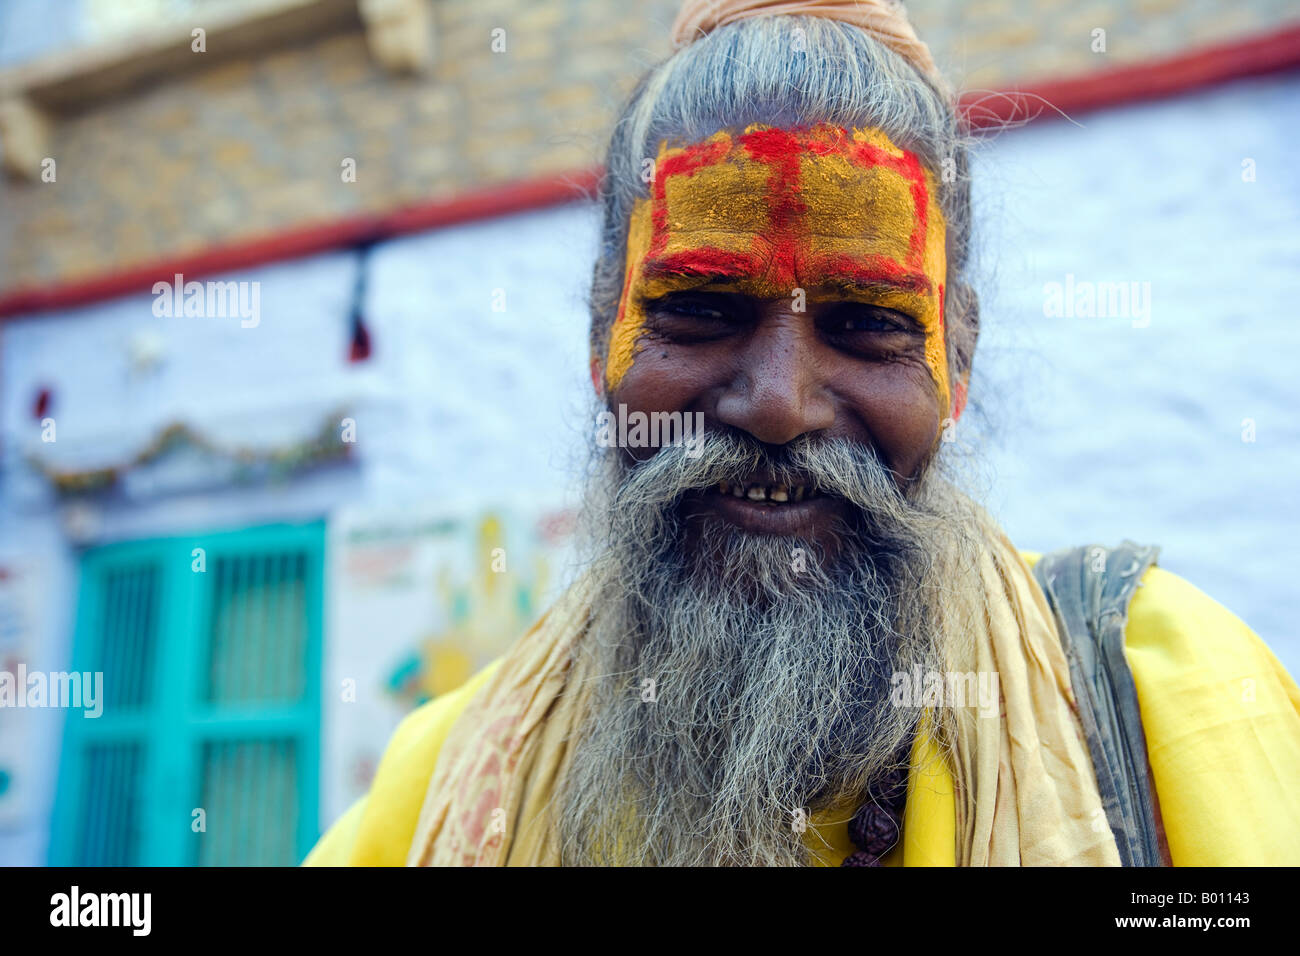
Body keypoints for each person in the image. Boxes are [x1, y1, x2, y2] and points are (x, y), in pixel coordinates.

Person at [306, 0, 1300, 866]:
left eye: (868, 320)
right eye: (699, 307)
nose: (780, 403)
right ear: (600, 336)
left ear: (958, 359)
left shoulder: (1168, 696)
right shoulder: (445, 777)